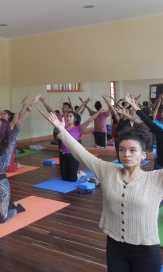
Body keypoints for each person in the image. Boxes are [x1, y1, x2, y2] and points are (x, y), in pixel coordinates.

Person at [38, 109, 162, 272]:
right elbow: (81, 153)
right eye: (122, 149)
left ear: (143, 155)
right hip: (115, 248)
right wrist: (62, 130)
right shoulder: (107, 171)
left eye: (133, 150)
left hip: (146, 250)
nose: (126, 154)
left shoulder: (156, 179)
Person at [0, 94, 40, 223]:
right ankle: (6, 207)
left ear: (3, 128)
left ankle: (16, 209)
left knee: (2, 219)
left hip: (1, 184)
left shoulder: (8, 142)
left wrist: (29, 107)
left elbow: (18, 123)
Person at [42, 103, 108, 182]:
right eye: (67, 116)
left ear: (75, 119)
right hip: (63, 154)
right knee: (64, 178)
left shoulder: (79, 128)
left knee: (72, 179)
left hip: (73, 155)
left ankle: (80, 174)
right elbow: (51, 120)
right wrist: (42, 112)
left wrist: (100, 110)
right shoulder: (63, 127)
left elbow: (90, 120)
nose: (68, 118)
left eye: (70, 116)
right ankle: (75, 172)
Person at [0, 95, 28, 171]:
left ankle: (16, 165)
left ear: (9, 116)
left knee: (9, 167)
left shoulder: (10, 124)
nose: (2, 115)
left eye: (4, 114)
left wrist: (22, 104)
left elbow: (16, 115)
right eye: (1, 114)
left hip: (8, 144)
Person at [124, 93, 163, 170]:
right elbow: (146, 120)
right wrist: (133, 104)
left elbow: (146, 120)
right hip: (159, 163)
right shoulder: (159, 130)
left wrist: (133, 104)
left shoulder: (159, 131)